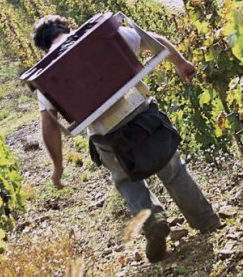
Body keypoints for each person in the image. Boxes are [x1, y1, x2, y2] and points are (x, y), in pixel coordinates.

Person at [31, 14, 220, 262]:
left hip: (106, 133)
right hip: (142, 114)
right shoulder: (97, 38)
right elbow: (153, 40)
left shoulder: (48, 73)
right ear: (68, 28)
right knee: (172, 169)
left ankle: (152, 222)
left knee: (126, 180)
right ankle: (206, 222)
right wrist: (181, 62)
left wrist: (57, 167)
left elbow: (48, 123)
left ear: (44, 46)